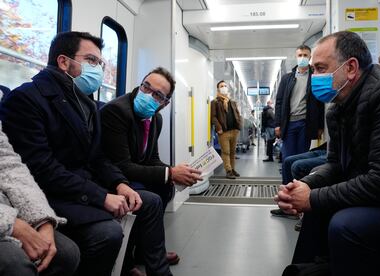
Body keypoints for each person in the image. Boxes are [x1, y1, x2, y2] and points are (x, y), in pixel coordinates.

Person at [0, 31, 172, 276]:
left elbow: (97, 157)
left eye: (100, 63)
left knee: (144, 201)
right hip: (51, 191)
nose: (99, 69)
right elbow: (42, 168)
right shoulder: (27, 99)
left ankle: (130, 267)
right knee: (108, 233)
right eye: (92, 61)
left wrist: (119, 184)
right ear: (63, 62)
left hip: (80, 185)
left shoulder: (86, 103)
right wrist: (101, 196)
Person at [276, 31, 380, 276]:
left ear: (350, 67)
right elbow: (335, 164)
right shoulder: (338, 107)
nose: (314, 77)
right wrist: (303, 187)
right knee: (314, 205)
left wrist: (313, 198)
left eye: (320, 68)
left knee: (345, 224)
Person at [100, 67, 203, 265]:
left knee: (166, 187)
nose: (147, 94)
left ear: (164, 104)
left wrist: (175, 173)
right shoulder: (117, 111)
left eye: (157, 94)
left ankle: (144, 250)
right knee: (151, 199)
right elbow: (121, 165)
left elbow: (152, 158)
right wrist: (170, 172)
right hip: (111, 177)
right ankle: (140, 262)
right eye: (146, 87)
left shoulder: (156, 118)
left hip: (130, 173)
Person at [0, 91, 80, 276]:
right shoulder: (28, 98)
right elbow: (44, 164)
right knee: (15, 265)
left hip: (9, 205)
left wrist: (42, 220)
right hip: (6, 215)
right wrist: (12, 224)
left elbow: (9, 166)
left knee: (67, 253)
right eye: (91, 60)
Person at [274, 45, 325, 182]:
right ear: (296, 57)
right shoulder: (287, 78)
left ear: (310, 57)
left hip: (305, 123)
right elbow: (279, 102)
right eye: (300, 55)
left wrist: (320, 126)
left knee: (301, 158)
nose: (302, 58)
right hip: (289, 124)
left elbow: (320, 103)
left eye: (305, 55)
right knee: (287, 157)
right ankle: (287, 187)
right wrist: (277, 124)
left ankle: (299, 187)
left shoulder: (314, 77)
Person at [270, 142, 327, 220]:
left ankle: (302, 210)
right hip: (325, 149)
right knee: (288, 161)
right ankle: (287, 205)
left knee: (298, 166)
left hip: (332, 154)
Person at [211, 80, 242, 179]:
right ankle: (228, 171)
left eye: (225, 86)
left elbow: (237, 114)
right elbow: (213, 117)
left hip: (234, 130)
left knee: (233, 152)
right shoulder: (215, 102)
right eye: (221, 86)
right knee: (226, 152)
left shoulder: (232, 102)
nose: (224, 87)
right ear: (218, 89)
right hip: (223, 132)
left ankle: (233, 169)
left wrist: (239, 126)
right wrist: (219, 127)